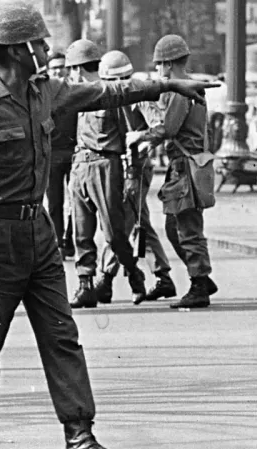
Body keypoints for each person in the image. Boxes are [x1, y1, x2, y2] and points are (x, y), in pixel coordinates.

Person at [0, 0, 217, 449]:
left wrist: (167, 83)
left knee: (63, 337)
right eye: (37, 43)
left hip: (38, 236)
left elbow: (105, 92)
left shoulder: (46, 91)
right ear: (14, 51)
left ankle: (79, 440)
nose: (45, 48)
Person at [128, 34, 218, 309]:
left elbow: (169, 128)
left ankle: (199, 284)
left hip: (184, 166)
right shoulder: (187, 89)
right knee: (174, 225)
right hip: (188, 164)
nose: (157, 71)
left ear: (168, 65)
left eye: (158, 65)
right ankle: (201, 276)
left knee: (186, 228)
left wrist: (140, 136)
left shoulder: (181, 91)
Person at [66, 39, 148, 308]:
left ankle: (134, 274)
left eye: (72, 69)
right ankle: (85, 285)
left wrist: (133, 174)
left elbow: (131, 136)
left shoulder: (110, 94)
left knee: (113, 233)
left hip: (105, 165)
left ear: (79, 68)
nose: (70, 74)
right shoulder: (77, 94)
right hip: (80, 164)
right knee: (81, 230)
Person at [92, 50, 177, 305]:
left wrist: (140, 139)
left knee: (122, 223)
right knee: (139, 221)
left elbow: (159, 126)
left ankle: (105, 278)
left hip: (135, 167)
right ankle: (162, 275)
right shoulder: (117, 97)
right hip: (122, 166)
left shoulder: (139, 96)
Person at [46, 51, 77, 258]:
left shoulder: (76, 91)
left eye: (61, 66)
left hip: (76, 154)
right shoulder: (43, 94)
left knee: (77, 202)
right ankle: (58, 242)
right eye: (54, 67)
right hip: (52, 155)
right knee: (55, 202)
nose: (58, 70)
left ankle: (71, 238)